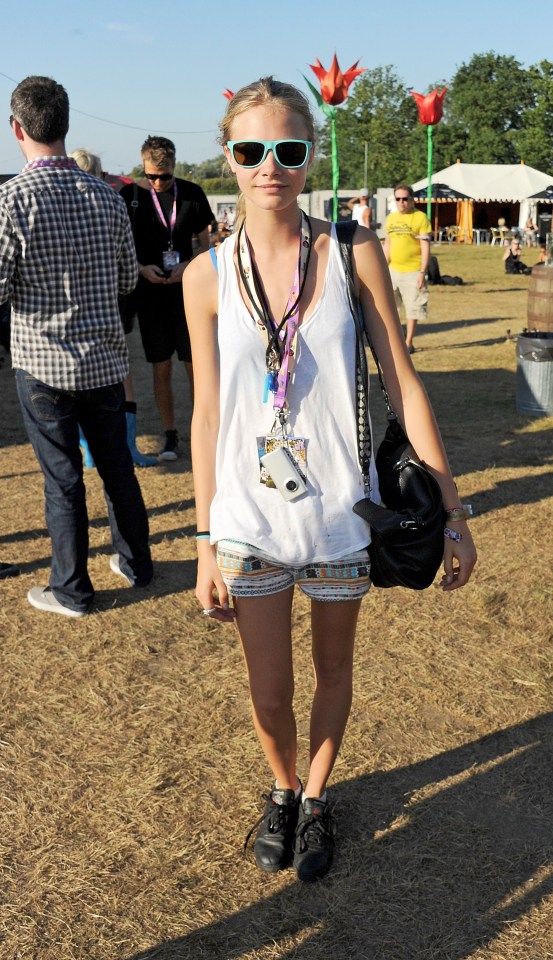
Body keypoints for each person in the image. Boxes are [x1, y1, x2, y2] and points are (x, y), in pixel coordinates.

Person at [183, 77, 477, 883]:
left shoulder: (352, 251)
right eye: (251, 151)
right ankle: (279, 785)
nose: (269, 166)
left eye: (287, 149)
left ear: (309, 156)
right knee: (269, 691)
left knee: (333, 673)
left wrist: (451, 510)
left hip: (340, 520)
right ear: (230, 158)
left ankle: (314, 797)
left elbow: (405, 383)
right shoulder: (206, 276)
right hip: (247, 519)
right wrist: (204, 537)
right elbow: (207, 414)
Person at [0, 76, 153, 617]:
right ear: (65, 126)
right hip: (104, 358)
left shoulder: (11, 201)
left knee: (62, 478)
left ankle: (71, 588)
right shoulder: (108, 198)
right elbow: (125, 281)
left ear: (16, 128)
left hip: (43, 363)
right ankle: (136, 562)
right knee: (116, 467)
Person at [120, 137, 214, 461]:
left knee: (196, 367)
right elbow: (119, 251)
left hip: (189, 295)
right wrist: (140, 268)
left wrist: (189, 265)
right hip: (150, 298)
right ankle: (170, 435)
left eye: (165, 176)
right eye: (152, 176)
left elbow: (207, 244)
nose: (158, 183)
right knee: (161, 369)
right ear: (143, 168)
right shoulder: (130, 197)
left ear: (174, 166)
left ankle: (204, 431)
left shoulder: (192, 194)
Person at [68, 148, 157, 469]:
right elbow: (126, 269)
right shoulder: (109, 204)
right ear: (99, 174)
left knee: (76, 382)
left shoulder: (58, 208)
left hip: (70, 310)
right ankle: (127, 446)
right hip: (110, 305)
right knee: (122, 375)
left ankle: (88, 448)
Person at [383, 184, 432, 354]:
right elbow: (387, 244)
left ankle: (408, 342)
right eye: (398, 199)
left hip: (413, 271)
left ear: (412, 200)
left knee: (413, 308)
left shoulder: (421, 218)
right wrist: (382, 267)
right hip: (393, 271)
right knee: (390, 308)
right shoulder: (391, 218)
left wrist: (422, 272)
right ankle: (396, 339)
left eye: (405, 199)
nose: (402, 202)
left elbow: (426, 247)